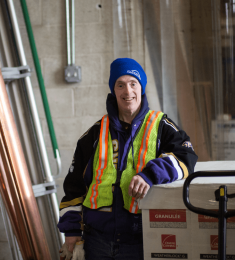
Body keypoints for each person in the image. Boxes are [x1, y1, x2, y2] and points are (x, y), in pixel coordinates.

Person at [58, 58, 198, 260]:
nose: (127, 91)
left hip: (140, 240)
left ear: (141, 88)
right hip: (96, 241)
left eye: (133, 84)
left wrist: (149, 175)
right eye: (120, 85)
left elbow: (187, 157)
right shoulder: (94, 135)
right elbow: (74, 187)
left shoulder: (161, 126)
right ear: (113, 91)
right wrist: (71, 232)